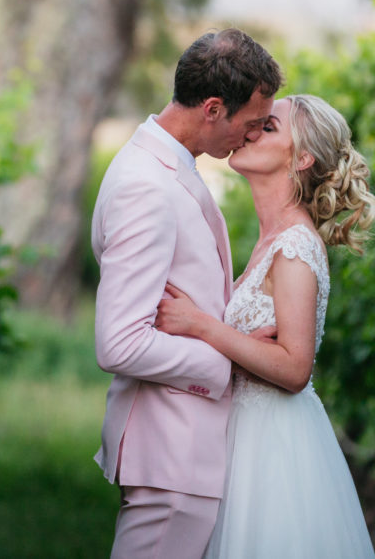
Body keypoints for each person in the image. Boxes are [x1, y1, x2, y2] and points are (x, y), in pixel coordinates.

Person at [155, 93, 375, 558]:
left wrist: (200, 325)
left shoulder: (295, 246)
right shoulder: (269, 241)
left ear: (302, 159)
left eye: (268, 127)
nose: (251, 130)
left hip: (276, 451)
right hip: (242, 437)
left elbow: (296, 368)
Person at [91, 28, 283, 559]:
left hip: (184, 451)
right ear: (214, 108)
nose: (249, 138)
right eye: (248, 125)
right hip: (171, 452)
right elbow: (119, 344)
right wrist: (222, 363)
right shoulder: (145, 187)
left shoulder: (166, 166)